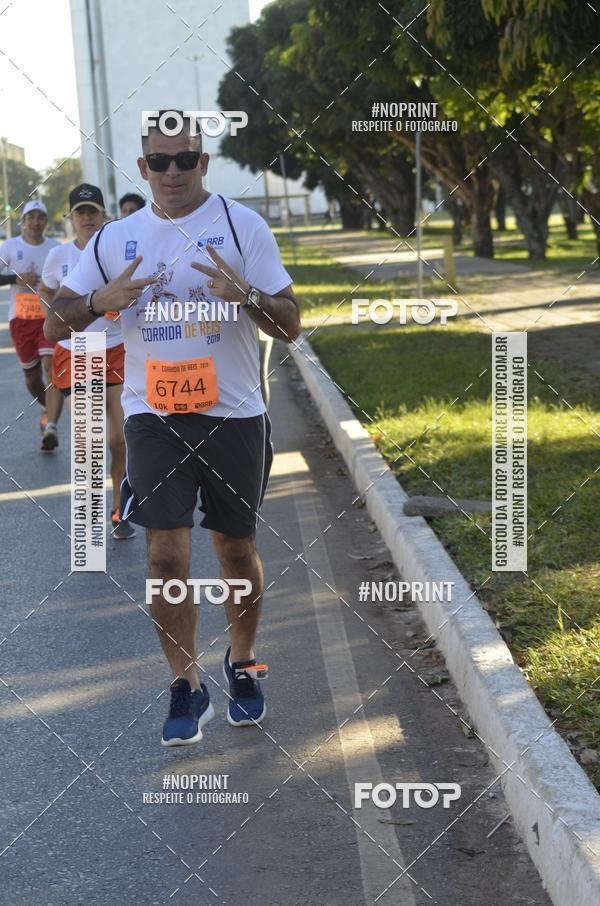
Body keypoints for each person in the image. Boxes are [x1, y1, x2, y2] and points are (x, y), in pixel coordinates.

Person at [46, 110, 301, 747]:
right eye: (159, 162)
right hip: (152, 417)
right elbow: (56, 324)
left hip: (234, 415)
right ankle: (185, 685)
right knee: (164, 553)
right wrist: (98, 303)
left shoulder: (243, 228)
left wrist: (246, 296)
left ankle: (242, 662)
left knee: (234, 550)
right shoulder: (112, 240)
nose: (172, 172)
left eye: (184, 159)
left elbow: (291, 321)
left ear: (203, 163)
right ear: (142, 169)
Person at [39, 184, 134, 540]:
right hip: (77, 351)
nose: (87, 218)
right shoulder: (59, 257)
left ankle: (120, 511)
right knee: (90, 442)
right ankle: (91, 517)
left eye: (93, 211)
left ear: (104, 215)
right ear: (72, 218)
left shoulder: (118, 251)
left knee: (120, 440)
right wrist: (54, 311)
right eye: (80, 213)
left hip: (119, 348)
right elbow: (48, 288)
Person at [0, 200, 63, 450]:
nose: (36, 222)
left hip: (48, 318)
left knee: (50, 368)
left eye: (40, 218)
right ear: (23, 222)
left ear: (45, 222)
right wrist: (16, 278)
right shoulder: (10, 247)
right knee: (31, 378)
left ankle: (51, 424)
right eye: (31, 217)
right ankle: (47, 406)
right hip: (20, 320)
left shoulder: (55, 248)